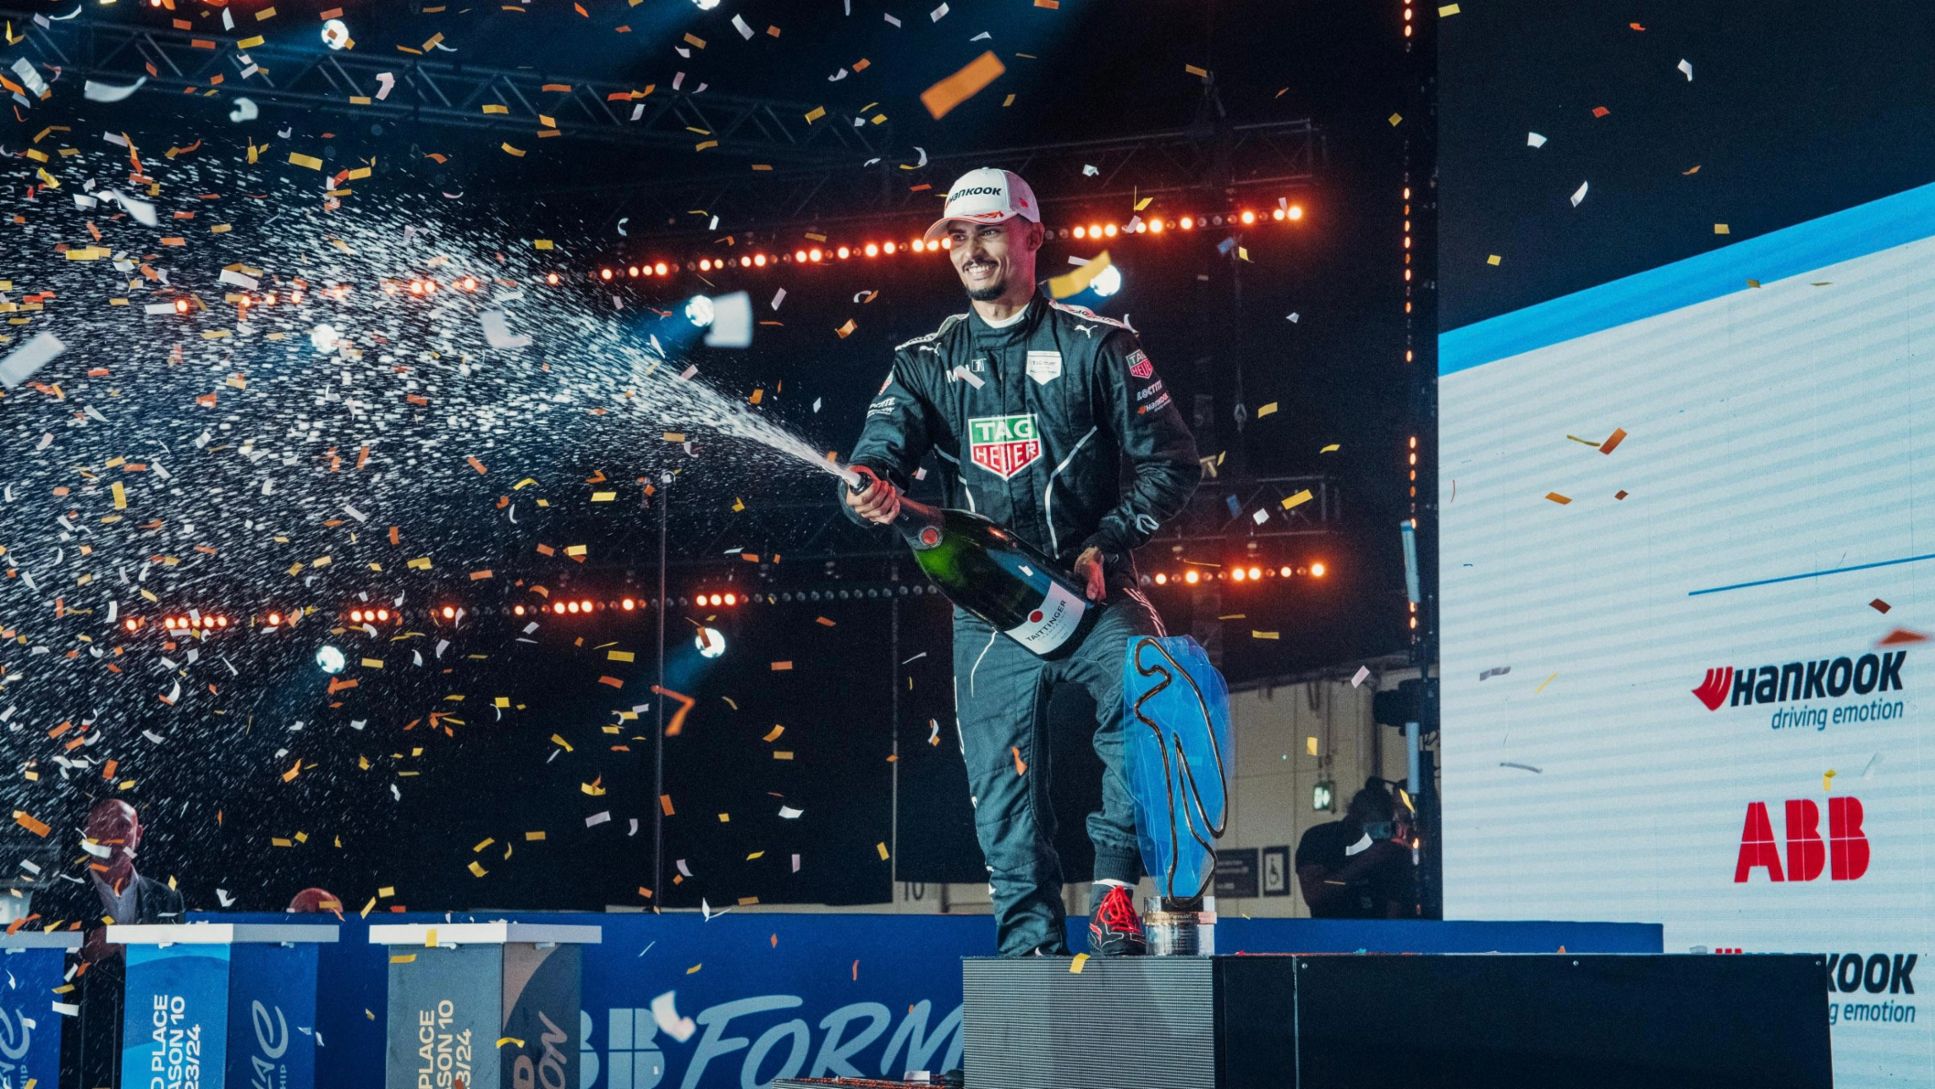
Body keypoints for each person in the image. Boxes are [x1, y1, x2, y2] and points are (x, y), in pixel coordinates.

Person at [841, 167, 1201, 957]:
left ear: (1033, 236)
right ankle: (1028, 958)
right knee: (1001, 795)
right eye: (957, 237)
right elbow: (874, 462)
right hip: (989, 604)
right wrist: (868, 490)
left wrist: (1109, 538)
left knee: (1154, 688)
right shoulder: (920, 362)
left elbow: (1175, 463)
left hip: (1094, 586)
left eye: (990, 231)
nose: (972, 250)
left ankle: (1115, 894)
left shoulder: (1101, 345)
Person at [38, 798, 186, 1089]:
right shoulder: (55, 897)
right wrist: (81, 954)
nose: (113, 838)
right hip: (77, 1053)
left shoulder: (168, 898)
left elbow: (178, 972)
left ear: (139, 834)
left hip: (149, 1048)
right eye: (102, 826)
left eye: (122, 826)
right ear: (87, 834)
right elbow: (37, 975)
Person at [1295, 779, 1416, 918]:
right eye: (1371, 827)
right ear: (1355, 818)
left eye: (1383, 828)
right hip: (1332, 930)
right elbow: (1314, 894)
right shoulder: (1320, 839)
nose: (1375, 835)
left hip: (1373, 931)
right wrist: (1366, 861)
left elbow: (1396, 907)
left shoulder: (1391, 853)